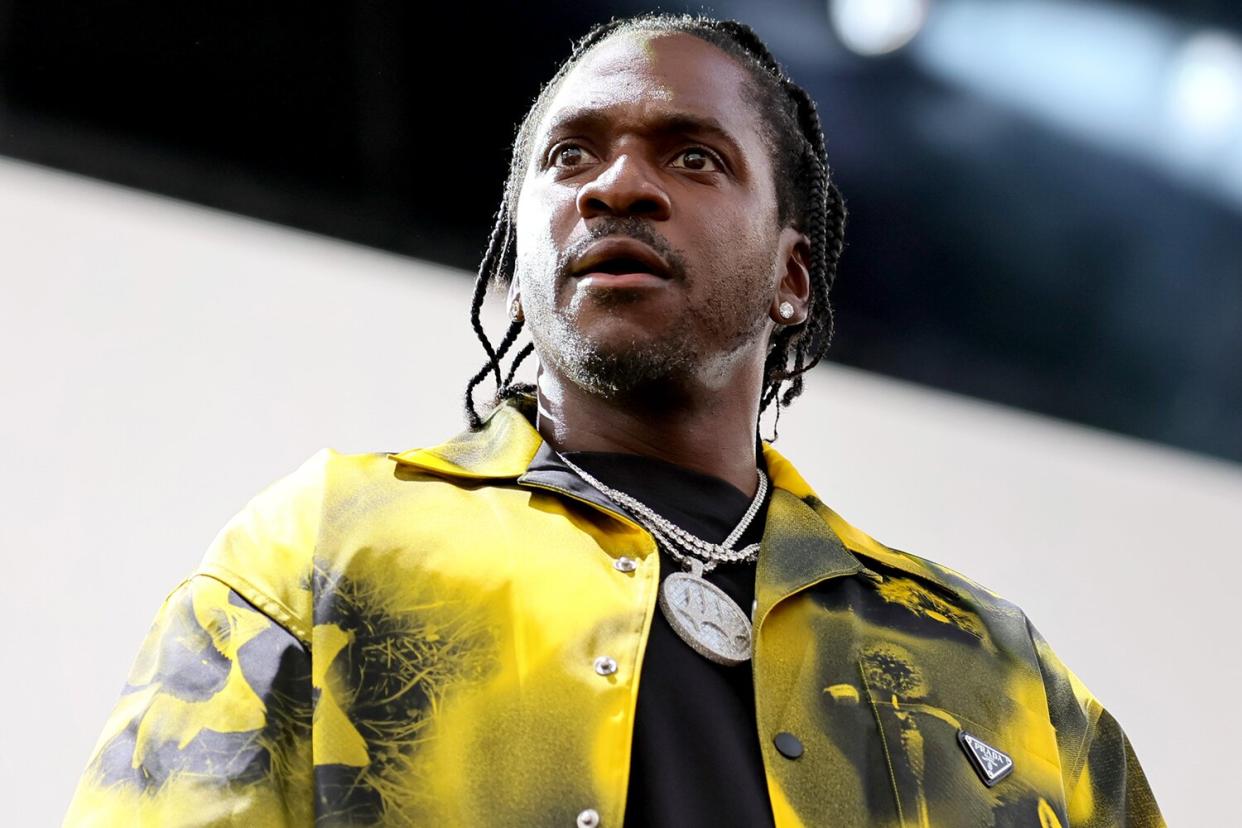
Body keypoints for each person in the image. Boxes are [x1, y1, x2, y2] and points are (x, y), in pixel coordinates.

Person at [66, 13, 1164, 828]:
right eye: (571, 157)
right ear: (520, 256)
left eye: (694, 156)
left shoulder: (997, 672)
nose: (617, 187)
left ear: (793, 277)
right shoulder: (325, 549)